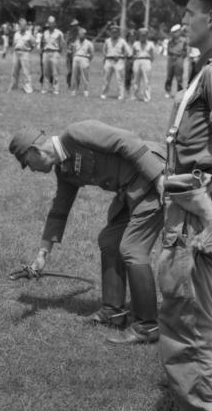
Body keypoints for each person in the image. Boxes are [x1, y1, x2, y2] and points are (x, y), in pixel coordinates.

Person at [136, 0, 212, 411]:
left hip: (196, 211)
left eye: (190, 12)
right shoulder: (206, 68)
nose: (182, 20)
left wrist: (206, 207)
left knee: (187, 319)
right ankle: (187, 407)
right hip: (190, 204)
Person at [9, 121, 165, 344]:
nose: (30, 169)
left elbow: (127, 140)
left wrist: (159, 176)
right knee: (110, 241)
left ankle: (147, 326)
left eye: (27, 163)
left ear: (35, 151)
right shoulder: (64, 170)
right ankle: (113, 311)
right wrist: (42, 254)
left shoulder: (76, 134)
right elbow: (59, 210)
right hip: (130, 190)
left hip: (150, 176)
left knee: (132, 248)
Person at [100, 24, 130, 100]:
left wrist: (121, 56)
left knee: (119, 79)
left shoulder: (122, 41)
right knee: (106, 78)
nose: (114, 33)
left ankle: (121, 94)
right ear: (110, 32)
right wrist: (105, 56)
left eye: (116, 32)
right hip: (109, 60)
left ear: (118, 32)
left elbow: (128, 51)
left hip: (119, 61)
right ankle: (104, 93)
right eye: (113, 32)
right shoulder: (107, 41)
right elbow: (104, 49)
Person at [8, 18, 35, 94]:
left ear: (26, 26)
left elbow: (33, 45)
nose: (22, 27)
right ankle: (13, 87)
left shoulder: (29, 34)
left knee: (26, 72)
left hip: (25, 53)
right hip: (16, 53)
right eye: (21, 25)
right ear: (19, 26)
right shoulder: (16, 34)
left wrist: (28, 50)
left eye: (24, 25)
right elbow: (13, 44)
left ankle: (28, 89)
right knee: (14, 71)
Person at [40, 15, 64, 95]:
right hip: (46, 52)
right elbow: (43, 43)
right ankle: (45, 88)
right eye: (49, 23)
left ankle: (55, 89)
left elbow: (61, 45)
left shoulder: (59, 33)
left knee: (55, 72)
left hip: (55, 53)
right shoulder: (45, 32)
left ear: (55, 23)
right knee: (45, 72)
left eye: (52, 23)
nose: (50, 24)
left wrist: (57, 53)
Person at [131, 28, 155, 102]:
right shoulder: (135, 44)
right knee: (135, 79)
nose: (143, 37)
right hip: (137, 60)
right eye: (141, 35)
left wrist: (148, 61)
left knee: (146, 80)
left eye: (144, 35)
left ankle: (147, 97)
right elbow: (133, 54)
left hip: (146, 60)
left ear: (147, 36)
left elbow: (153, 56)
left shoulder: (150, 44)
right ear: (139, 35)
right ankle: (134, 96)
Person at [164, 24, 187, 98]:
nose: (174, 34)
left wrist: (181, 58)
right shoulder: (170, 41)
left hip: (179, 59)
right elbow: (168, 50)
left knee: (179, 77)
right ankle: (168, 91)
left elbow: (185, 51)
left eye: (175, 32)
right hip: (171, 58)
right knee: (169, 76)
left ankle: (179, 93)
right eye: (173, 32)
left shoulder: (184, 40)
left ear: (179, 32)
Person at [70, 28, 94, 97]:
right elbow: (74, 51)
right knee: (74, 76)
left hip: (84, 58)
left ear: (85, 35)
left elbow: (92, 53)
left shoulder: (89, 43)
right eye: (80, 34)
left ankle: (85, 91)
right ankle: (73, 90)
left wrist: (88, 60)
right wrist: (74, 57)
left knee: (85, 76)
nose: (81, 35)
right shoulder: (76, 42)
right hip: (76, 58)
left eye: (82, 34)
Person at [65, 19, 79, 89]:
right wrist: (68, 50)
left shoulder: (80, 33)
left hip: (77, 54)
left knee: (77, 70)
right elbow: (67, 43)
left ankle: (76, 84)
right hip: (70, 54)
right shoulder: (69, 33)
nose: (73, 27)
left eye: (75, 26)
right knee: (69, 71)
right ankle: (69, 84)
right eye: (72, 26)